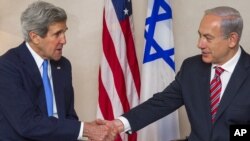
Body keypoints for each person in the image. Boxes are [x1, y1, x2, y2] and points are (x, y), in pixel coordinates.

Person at [99, 6, 249, 141]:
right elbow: (161, 103)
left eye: (208, 38)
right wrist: (118, 125)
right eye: (200, 35)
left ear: (232, 39)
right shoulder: (192, 68)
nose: (200, 44)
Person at [0, 1, 113, 141]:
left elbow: (69, 116)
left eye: (64, 32)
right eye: (57, 34)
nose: (64, 40)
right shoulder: (7, 67)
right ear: (35, 37)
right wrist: (84, 129)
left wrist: (85, 129)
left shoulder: (63, 65)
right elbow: (27, 124)